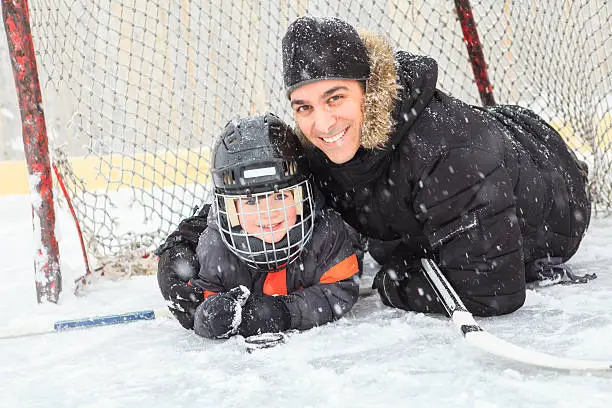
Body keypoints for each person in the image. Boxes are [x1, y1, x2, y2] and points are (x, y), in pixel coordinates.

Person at [280, 16, 592, 317]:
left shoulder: (445, 153)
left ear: (368, 89)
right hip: (488, 142)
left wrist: (393, 286)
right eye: (304, 107)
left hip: (553, 185)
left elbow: (493, 290)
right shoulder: (322, 145)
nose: (321, 123)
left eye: (335, 98)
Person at [156, 113, 361, 338]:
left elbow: (340, 291)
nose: (269, 213)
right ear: (230, 209)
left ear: (302, 195)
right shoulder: (216, 246)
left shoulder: (326, 230)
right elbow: (204, 307)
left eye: (281, 197)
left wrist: (283, 312)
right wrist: (211, 318)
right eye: (252, 201)